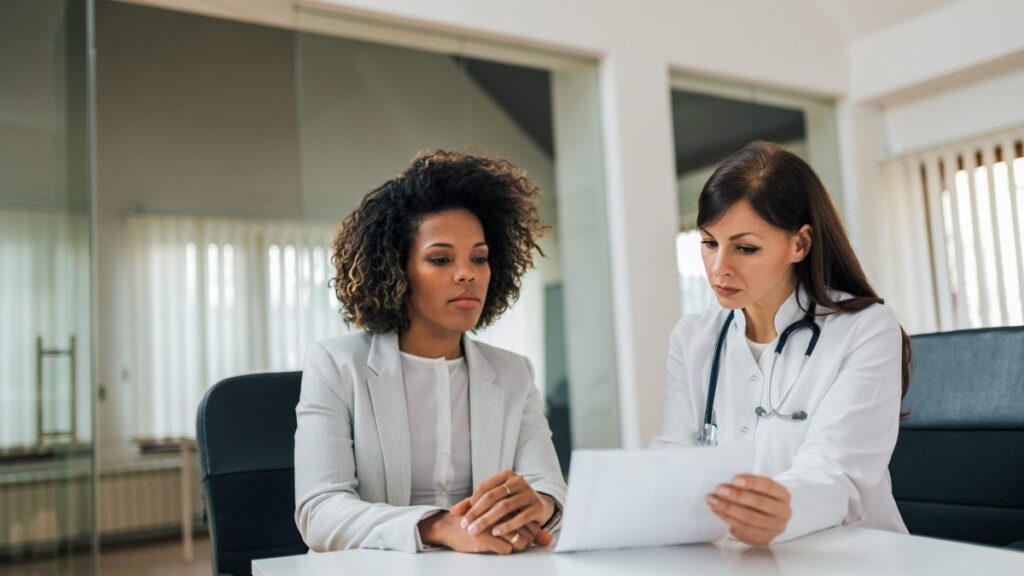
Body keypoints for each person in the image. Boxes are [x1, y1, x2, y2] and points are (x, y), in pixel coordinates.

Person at [294, 150, 565, 554]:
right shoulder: (335, 366)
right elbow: (319, 511)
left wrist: (536, 506)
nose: (467, 273)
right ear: (396, 270)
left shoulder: (514, 373)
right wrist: (440, 526)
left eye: (479, 258)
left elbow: (548, 487)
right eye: (440, 259)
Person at [653, 141, 910, 545]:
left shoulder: (865, 328)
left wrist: (783, 508)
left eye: (745, 248)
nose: (719, 267)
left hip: (854, 556)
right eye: (709, 243)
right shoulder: (693, 339)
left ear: (800, 244)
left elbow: (837, 473)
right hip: (736, 557)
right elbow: (675, 459)